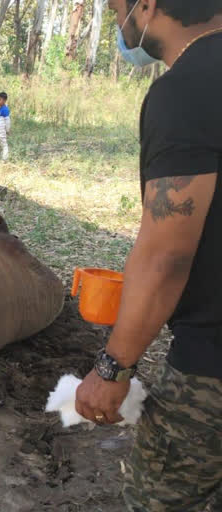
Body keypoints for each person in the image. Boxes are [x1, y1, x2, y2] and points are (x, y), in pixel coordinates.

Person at [74, 1, 222, 510]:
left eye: (116, 6)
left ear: (147, 6)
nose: (118, 20)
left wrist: (113, 368)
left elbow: (166, 256)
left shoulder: (187, 90)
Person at [0, 92, 11, 161]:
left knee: (4, 145)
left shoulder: (5, 109)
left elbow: (7, 121)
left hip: (1, 130)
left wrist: (7, 130)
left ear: (4, 100)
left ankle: (4, 159)